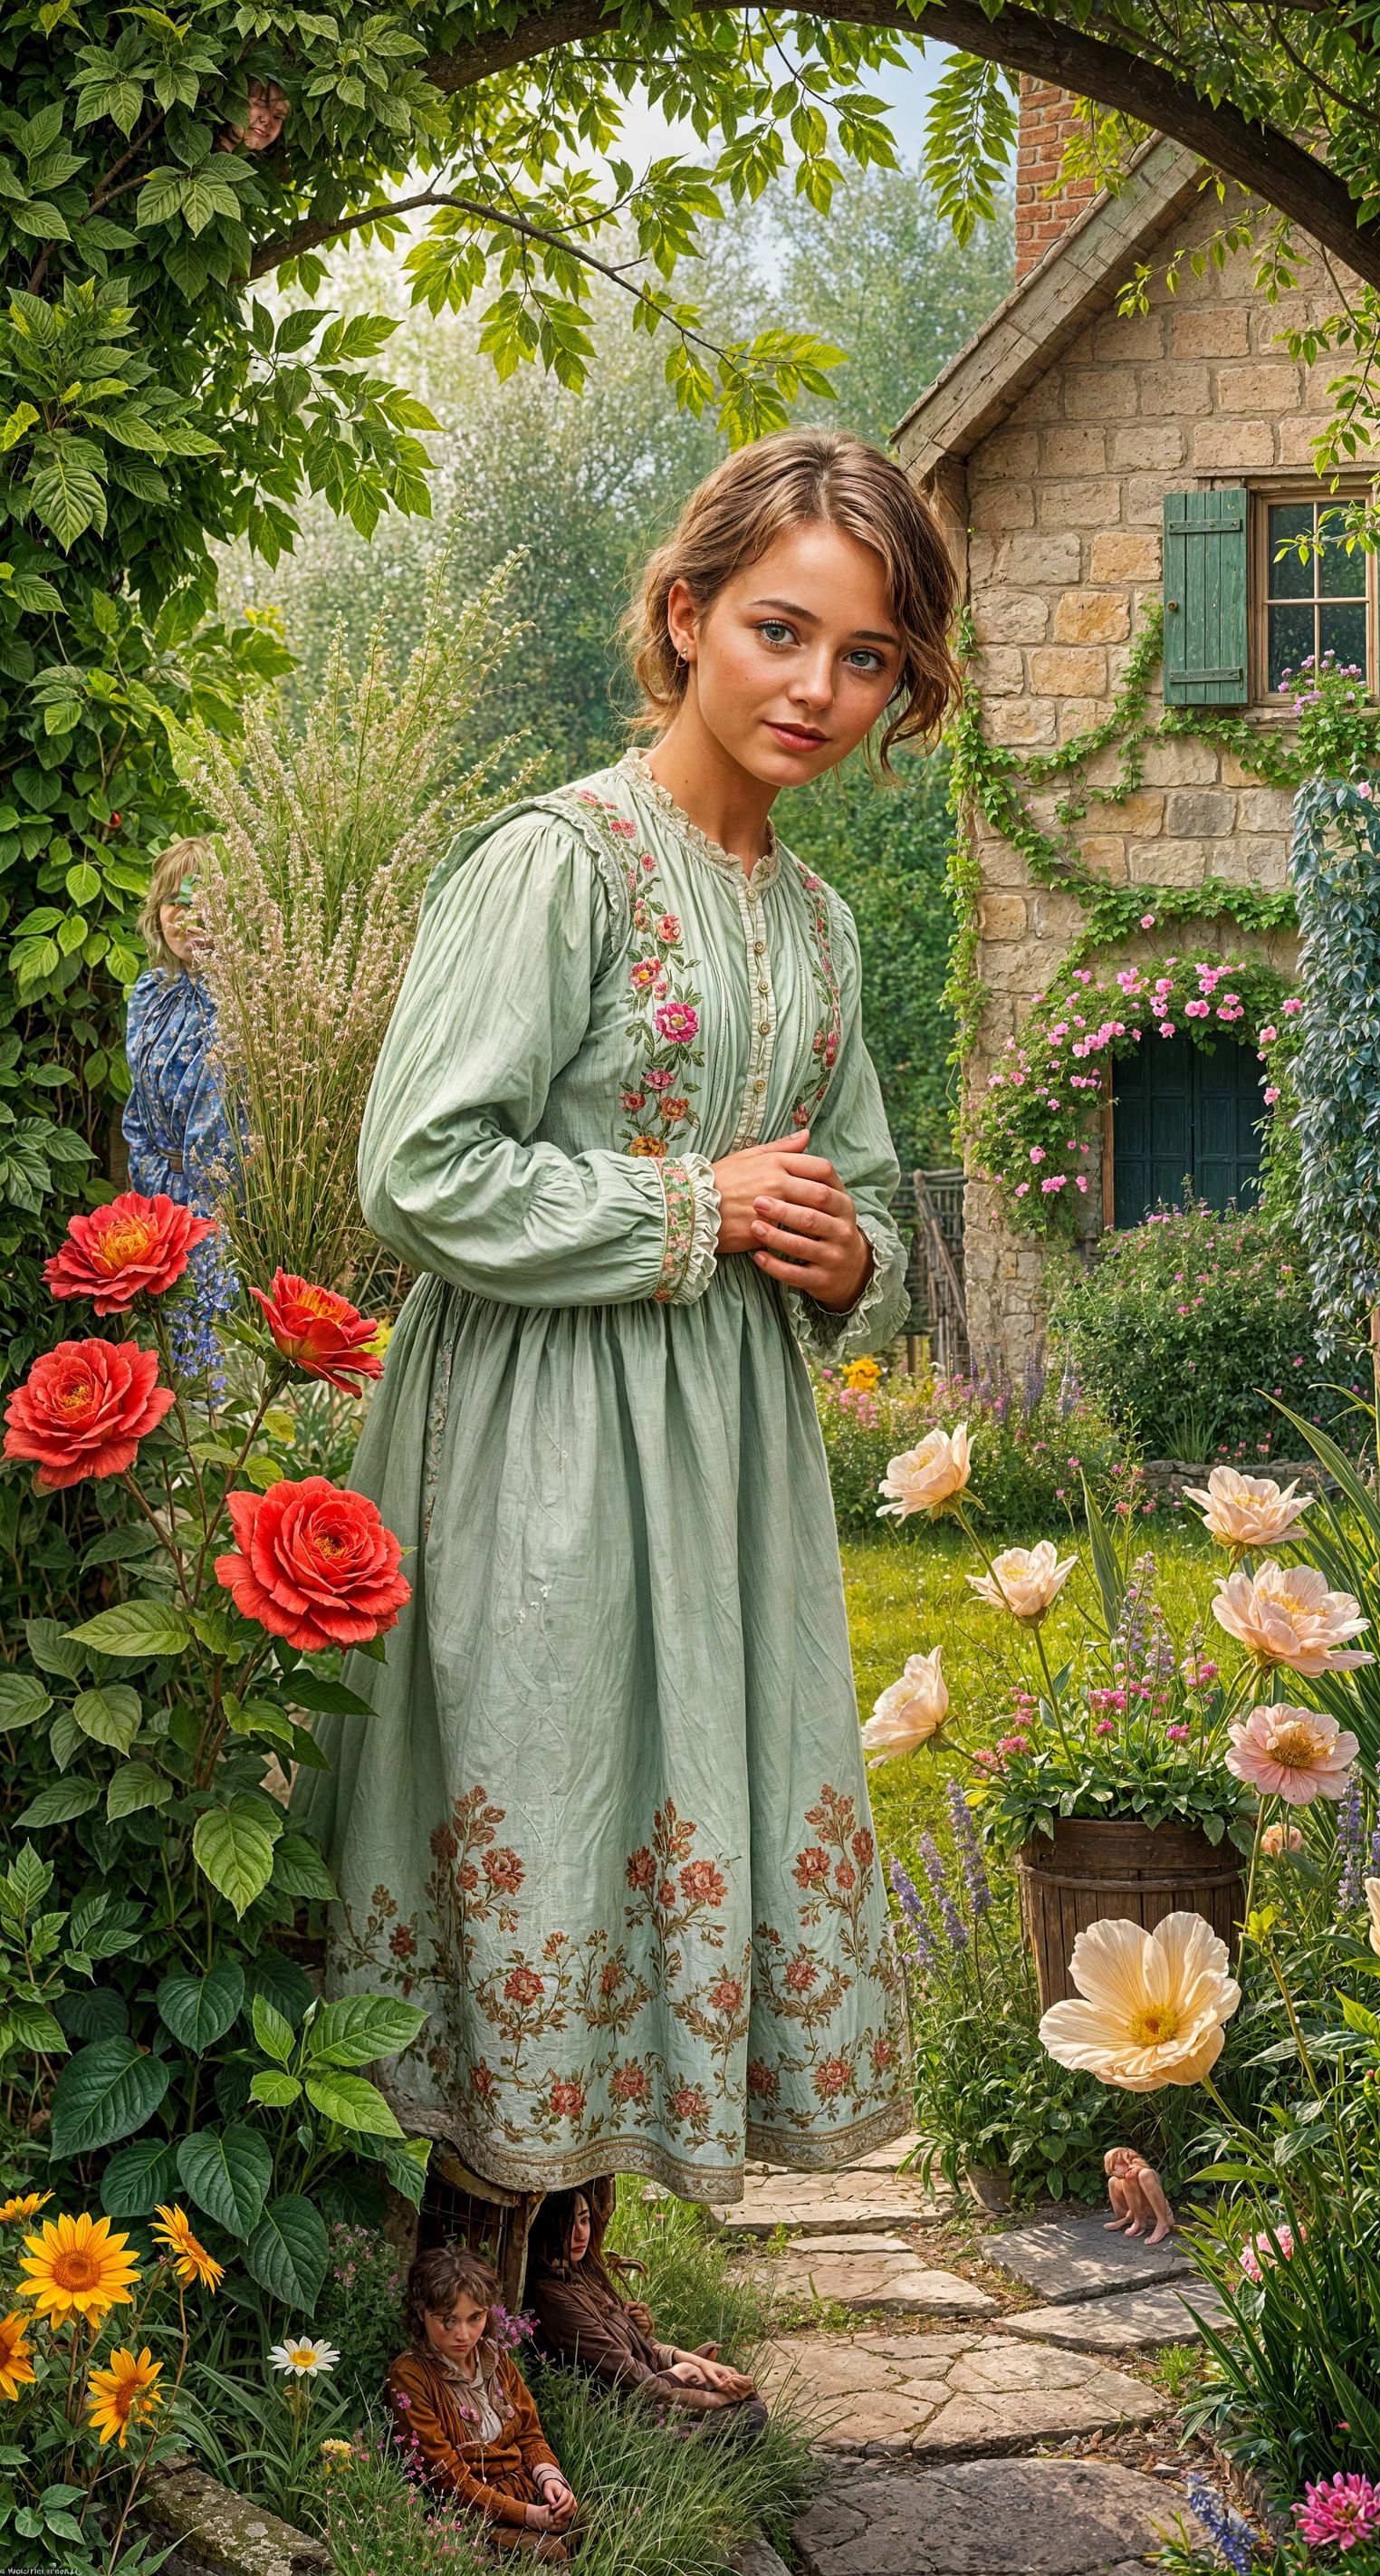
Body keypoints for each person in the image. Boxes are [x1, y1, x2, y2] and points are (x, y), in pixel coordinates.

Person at [294, 427, 962, 2206]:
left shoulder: (813, 926)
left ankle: (568, 2276)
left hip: (723, 1461)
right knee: (545, 1796)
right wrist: (693, 1207)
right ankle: (457, 2312)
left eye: (864, 655)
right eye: (776, 629)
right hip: (540, 1441)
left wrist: (846, 1258)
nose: (815, 686)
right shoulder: (558, 864)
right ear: (682, 618)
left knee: (664, 1799)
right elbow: (419, 1169)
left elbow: (869, 1187)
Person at [123, 835, 236, 1382]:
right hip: (153, 1202)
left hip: (224, 1213)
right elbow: (138, 1103)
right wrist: (146, 1186)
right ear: (157, 913)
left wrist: (205, 1216)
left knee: (213, 1376)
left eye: (202, 900)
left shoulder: (248, 998)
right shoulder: (148, 991)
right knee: (160, 1368)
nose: (186, 916)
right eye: (175, 901)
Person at [387, 2244, 579, 2562]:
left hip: (527, 2491)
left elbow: (529, 2433)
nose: (463, 2334)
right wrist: (527, 2515)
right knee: (552, 2553)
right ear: (421, 2312)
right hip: (468, 2512)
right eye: (447, 2320)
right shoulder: (410, 2377)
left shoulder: (495, 2357)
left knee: (601, 2525)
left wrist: (550, 2480)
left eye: (475, 2317)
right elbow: (446, 2477)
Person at [525, 2186, 767, 2435]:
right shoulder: (552, 2299)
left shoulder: (584, 2272)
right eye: (567, 2225)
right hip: (625, 2412)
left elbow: (646, 2345)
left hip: (653, 2382)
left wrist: (695, 2362)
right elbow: (635, 2382)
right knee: (749, 2415)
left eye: (584, 2220)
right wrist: (718, 2399)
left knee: (737, 2389)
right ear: (548, 2227)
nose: (580, 2234)